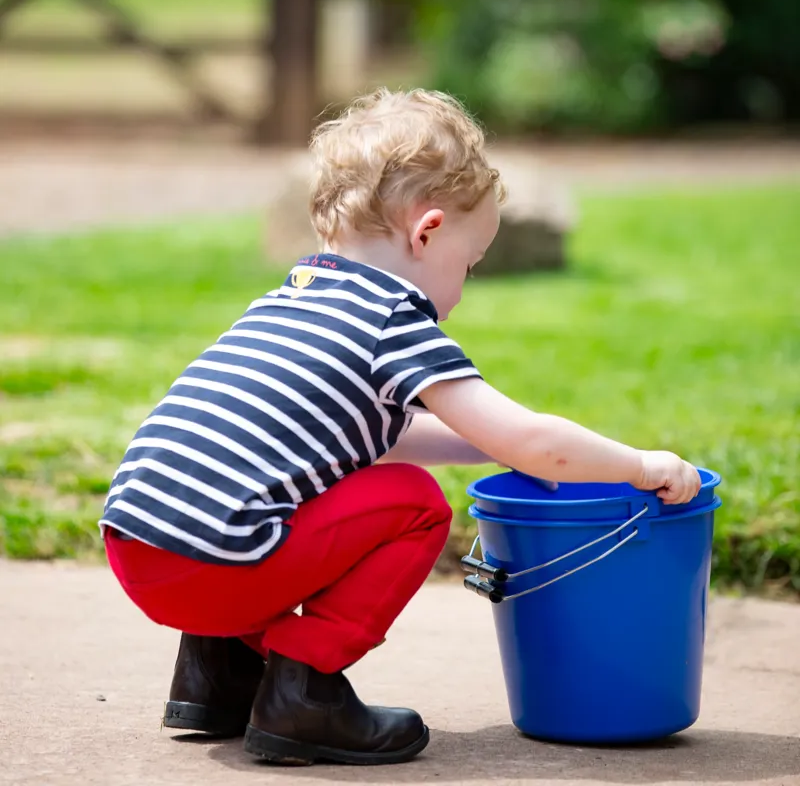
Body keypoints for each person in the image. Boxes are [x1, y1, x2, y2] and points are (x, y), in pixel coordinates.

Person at [100, 88, 701, 767]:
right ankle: (304, 691)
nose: (463, 286)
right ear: (428, 232)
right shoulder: (393, 319)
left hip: (140, 553)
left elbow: (372, 437)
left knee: (286, 488)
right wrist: (639, 466)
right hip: (219, 571)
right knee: (414, 503)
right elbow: (534, 443)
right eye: (468, 266)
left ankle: (217, 675)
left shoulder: (290, 299)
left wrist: (487, 446)